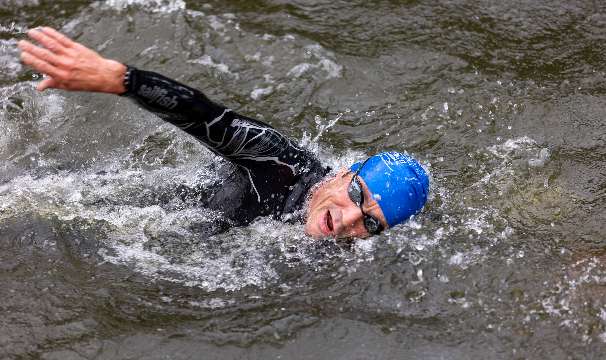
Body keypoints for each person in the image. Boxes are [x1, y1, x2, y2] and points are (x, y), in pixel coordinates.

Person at [17, 27, 430, 239]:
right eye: (358, 196)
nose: (349, 220)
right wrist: (122, 79)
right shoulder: (281, 165)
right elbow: (206, 116)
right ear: (344, 173)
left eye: (371, 225)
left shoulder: (341, 253)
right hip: (98, 208)